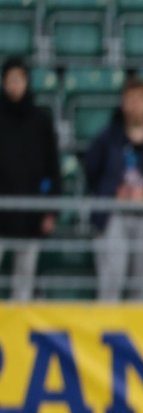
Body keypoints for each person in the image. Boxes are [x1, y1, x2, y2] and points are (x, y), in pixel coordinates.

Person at [83, 76, 143, 301]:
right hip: (113, 214)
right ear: (122, 103)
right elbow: (90, 170)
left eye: (139, 99)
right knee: (111, 279)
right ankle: (106, 332)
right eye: (130, 99)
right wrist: (113, 191)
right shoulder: (107, 139)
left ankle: (134, 335)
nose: (134, 105)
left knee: (140, 284)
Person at [0, 56, 59, 301]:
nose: (14, 85)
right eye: (10, 80)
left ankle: (16, 336)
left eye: (19, 79)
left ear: (26, 82)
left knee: (24, 280)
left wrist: (50, 210)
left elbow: (52, 166)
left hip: (30, 212)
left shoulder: (41, 121)